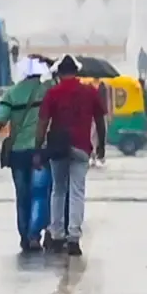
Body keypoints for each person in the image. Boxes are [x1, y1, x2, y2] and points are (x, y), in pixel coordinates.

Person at [34, 54, 107, 256]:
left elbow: (42, 123)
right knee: (77, 192)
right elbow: (100, 120)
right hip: (82, 147)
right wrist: (101, 145)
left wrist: (38, 149)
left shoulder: (53, 92)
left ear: (60, 73)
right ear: (76, 71)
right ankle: (73, 237)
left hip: (58, 146)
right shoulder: (90, 91)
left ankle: (57, 235)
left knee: (58, 190)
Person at [0, 57, 51, 251]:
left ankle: (24, 235)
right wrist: (48, 62)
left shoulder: (12, 93)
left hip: (18, 152)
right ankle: (35, 234)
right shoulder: (47, 90)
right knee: (40, 194)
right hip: (40, 151)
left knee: (22, 195)